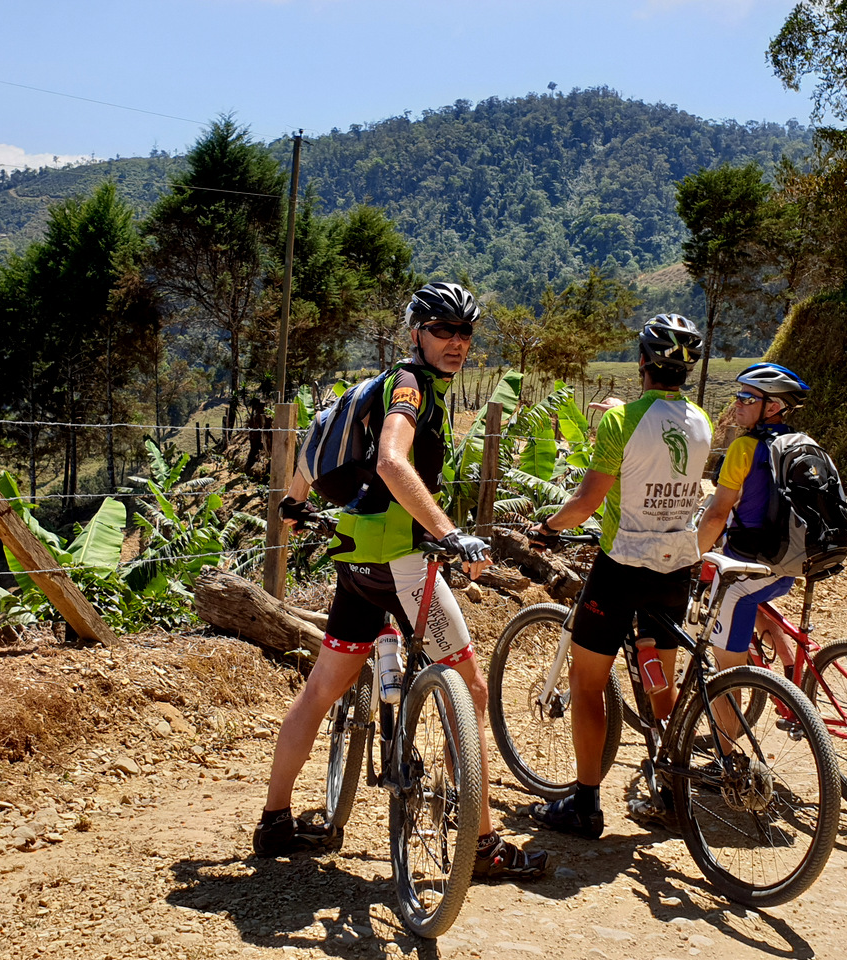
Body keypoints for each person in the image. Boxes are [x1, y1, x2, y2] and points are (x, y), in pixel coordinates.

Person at [254, 281, 548, 880]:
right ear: (416, 332)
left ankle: (275, 820)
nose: (457, 342)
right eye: (443, 329)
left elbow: (313, 450)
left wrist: (292, 502)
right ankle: (484, 844)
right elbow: (391, 460)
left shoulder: (372, 387)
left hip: (356, 558)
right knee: (470, 690)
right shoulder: (411, 387)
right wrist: (448, 533)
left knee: (319, 691)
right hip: (405, 564)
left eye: (465, 332)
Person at [522, 314, 712, 838]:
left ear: (643, 362)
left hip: (622, 566)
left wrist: (545, 527)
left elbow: (587, 502)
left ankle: (584, 804)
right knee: (661, 684)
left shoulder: (620, 421)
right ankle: (671, 787)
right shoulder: (702, 421)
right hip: (676, 566)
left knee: (587, 685)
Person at [696, 362, 811, 674]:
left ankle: (744, 693)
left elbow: (717, 514)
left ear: (772, 406)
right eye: (738, 395)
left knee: (725, 672)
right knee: (756, 599)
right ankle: (792, 682)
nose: (738, 403)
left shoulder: (744, 448)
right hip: (788, 560)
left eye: (747, 398)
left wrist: (691, 555)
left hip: (748, 559)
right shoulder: (801, 444)